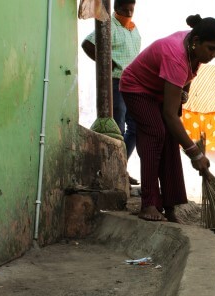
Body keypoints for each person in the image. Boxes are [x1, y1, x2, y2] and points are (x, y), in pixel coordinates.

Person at [119, 14, 215, 222]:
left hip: (158, 90)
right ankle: (149, 204)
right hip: (136, 88)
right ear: (196, 42)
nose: (214, 55)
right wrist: (194, 153)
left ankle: (169, 204)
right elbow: (169, 114)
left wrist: (184, 91)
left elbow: (188, 74)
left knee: (170, 139)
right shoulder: (176, 55)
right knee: (155, 133)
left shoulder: (194, 47)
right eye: (211, 49)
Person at [82, 0, 141, 185]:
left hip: (133, 84)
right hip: (116, 82)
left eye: (131, 10)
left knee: (136, 128)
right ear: (117, 9)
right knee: (117, 126)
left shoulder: (133, 29)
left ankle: (121, 166)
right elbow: (87, 44)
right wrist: (107, 63)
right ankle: (113, 170)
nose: (129, 13)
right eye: (125, 10)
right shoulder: (111, 26)